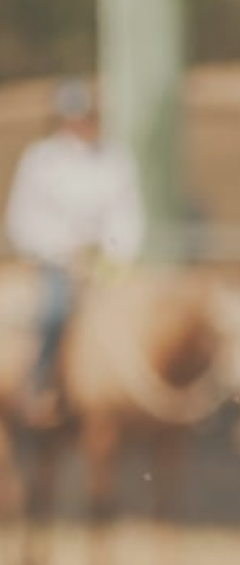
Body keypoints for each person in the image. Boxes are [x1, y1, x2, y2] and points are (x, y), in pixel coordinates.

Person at [4, 79, 146, 424]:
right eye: (75, 117)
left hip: (106, 261)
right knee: (55, 311)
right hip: (57, 260)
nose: (82, 124)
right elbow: (23, 217)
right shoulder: (40, 159)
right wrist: (61, 249)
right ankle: (41, 382)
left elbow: (126, 213)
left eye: (86, 116)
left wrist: (117, 254)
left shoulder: (115, 158)